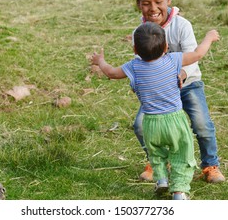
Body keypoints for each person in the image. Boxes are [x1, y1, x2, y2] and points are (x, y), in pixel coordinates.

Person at [92, 22, 220, 200]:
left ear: (135, 49)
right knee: (182, 154)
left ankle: (161, 179)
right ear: (166, 47)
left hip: (150, 123)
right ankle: (179, 191)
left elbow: (111, 73)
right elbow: (198, 54)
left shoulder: (133, 66)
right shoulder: (173, 59)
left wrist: (100, 61)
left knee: (156, 153)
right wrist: (209, 37)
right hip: (174, 120)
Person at [133, 0, 225, 184]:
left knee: (202, 124)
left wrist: (182, 74)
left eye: (158, 2)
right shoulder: (140, 31)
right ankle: (158, 163)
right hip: (160, 91)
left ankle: (210, 165)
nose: (153, 9)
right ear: (139, 4)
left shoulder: (182, 26)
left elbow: (192, 56)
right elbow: (139, 61)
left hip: (188, 83)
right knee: (140, 125)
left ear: (169, 0)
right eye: (146, 4)